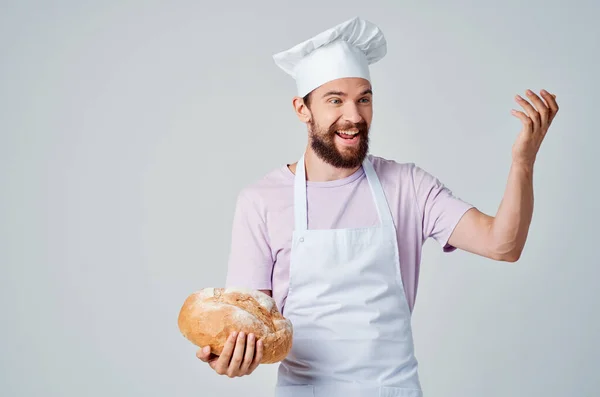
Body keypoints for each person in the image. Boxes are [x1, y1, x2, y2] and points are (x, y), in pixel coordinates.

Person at [196, 16, 559, 396]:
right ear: (302, 109)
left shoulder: (408, 186)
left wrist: (523, 163)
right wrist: (233, 358)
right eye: (335, 100)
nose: (354, 116)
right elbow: (249, 326)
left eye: (363, 98)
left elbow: (503, 245)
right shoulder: (261, 201)